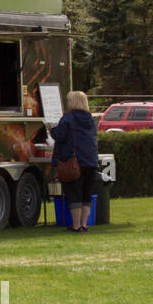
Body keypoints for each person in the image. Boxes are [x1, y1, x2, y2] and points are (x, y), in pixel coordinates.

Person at [50, 90, 100, 232]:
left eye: (68, 101)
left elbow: (60, 136)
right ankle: (84, 224)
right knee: (86, 194)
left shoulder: (68, 118)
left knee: (74, 194)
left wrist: (51, 129)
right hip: (91, 161)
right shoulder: (90, 118)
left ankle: (76, 225)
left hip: (74, 162)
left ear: (73, 102)